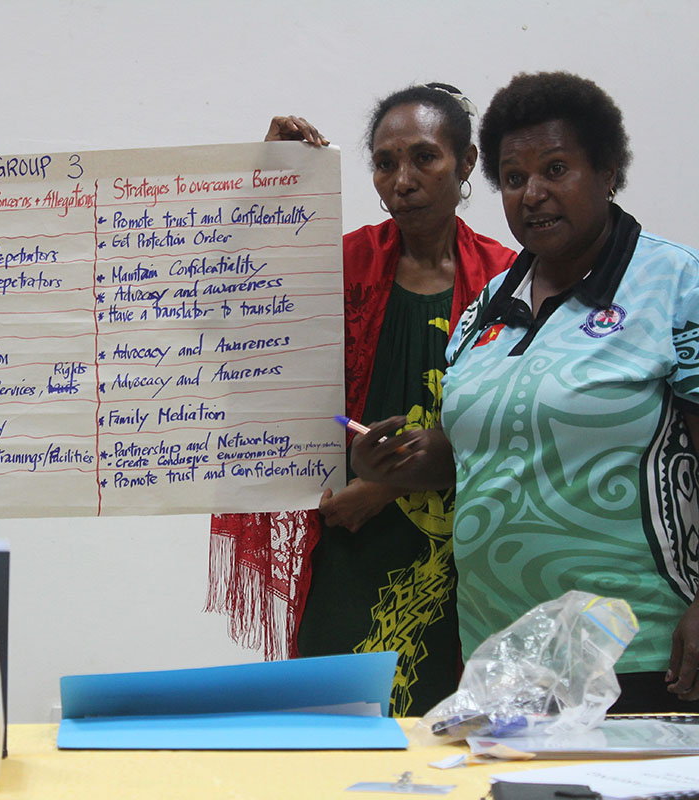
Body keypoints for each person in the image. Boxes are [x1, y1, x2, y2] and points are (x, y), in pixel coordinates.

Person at [352, 71, 699, 712]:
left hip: (643, 658)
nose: (533, 194)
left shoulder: (674, 283)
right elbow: (471, 458)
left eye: (556, 169)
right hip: (500, 663)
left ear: (608, 172)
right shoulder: (488, 305)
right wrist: (400, 460)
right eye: (514, 179)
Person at [208, 84, 515, 715]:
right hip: (349, 536)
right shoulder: (344, 262)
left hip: (469, 547)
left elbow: (518, 433)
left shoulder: (509, 278)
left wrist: (388, 485)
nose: (402, 179)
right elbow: (231, 306)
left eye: (424, 158)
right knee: (336, 725)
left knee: (454, 724)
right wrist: (269, 183)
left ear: (466, 163)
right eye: (384, 162)